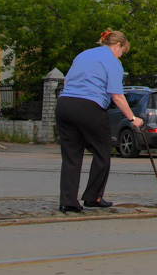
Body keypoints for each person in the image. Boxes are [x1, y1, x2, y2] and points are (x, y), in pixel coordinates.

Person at [55, 29, 144, 213]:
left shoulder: (83, 55)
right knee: (102, 151)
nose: (121, 56)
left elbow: (66, 82)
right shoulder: (112, 62)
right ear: (116, 46)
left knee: (71, 155)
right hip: (89, 107)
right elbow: (117, 96)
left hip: (64, 105)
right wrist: (132, 118)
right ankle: (93, 197)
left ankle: (68, 201)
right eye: (122, 52)